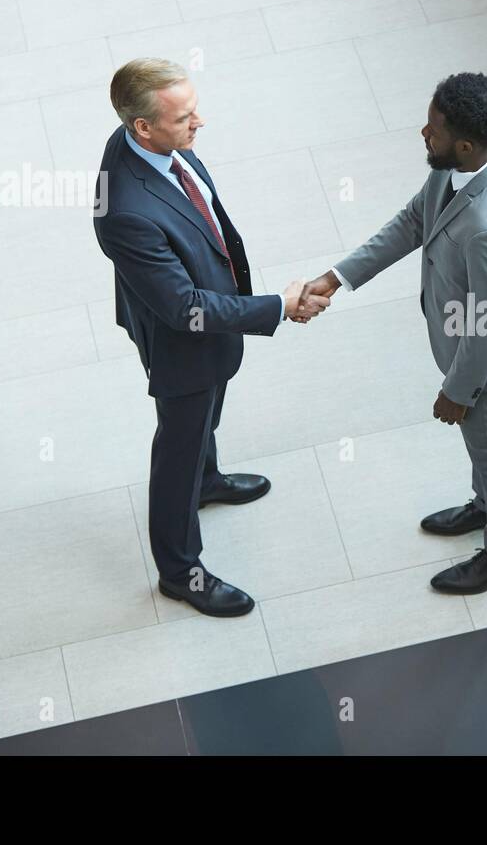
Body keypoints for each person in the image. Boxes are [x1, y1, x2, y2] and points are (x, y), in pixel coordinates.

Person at [93, 58, 328, 618]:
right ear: (142, 127)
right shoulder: (126, 211)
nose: (200, 122)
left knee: (206, 417)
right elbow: (183, 309)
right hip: (184, 340)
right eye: (184, 117)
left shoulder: (141, 142)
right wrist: (277, 305)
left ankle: (208, 478)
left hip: (208, 321)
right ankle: (181, 570)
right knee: (179, 442)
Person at [301, 72, 487, 594]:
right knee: (484, 452)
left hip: (480, 365)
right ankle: (484, 508)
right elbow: (413, 222)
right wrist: (337, 277)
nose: (422, 135)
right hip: (458, 342)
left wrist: (458, 389)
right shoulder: (459, 166)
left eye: (433, 129)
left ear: (467, 143)